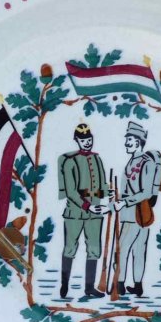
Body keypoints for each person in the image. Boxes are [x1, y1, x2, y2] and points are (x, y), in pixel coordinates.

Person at [58, 123, 112, 298]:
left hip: (94, 214)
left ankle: (89, 287)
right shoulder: (70, 162)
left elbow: (102, 185)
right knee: (70, 248)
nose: (87, 142)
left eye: (89, 139)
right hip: (75, 213)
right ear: (77, 141)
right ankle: (64, 284)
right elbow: (71, 191)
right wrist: (87, 205)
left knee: (94, 249)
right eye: (83, 140)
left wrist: (109, 192)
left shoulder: (97, 159)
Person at [112, 121, 156, 297]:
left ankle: (121, 283)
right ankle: (136, 286)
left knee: (126, 249)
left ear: (138, 142)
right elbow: (128, 189)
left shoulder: (147, 162)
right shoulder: (132, 161)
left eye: (129, 140)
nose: (126, 143)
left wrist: (124, 202)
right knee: (137, 249)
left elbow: (146, 192)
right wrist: (117, 196)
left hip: (137, 213)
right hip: (134, 213)